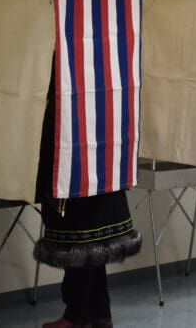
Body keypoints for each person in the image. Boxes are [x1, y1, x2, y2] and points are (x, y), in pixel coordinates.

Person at [34, 71, 142, 328]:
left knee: (81, 241)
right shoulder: (105, 80)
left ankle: (77, 315)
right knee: (94, 244)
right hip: (102, 169)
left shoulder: (68, 83)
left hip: (76, 169)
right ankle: (99, 311)